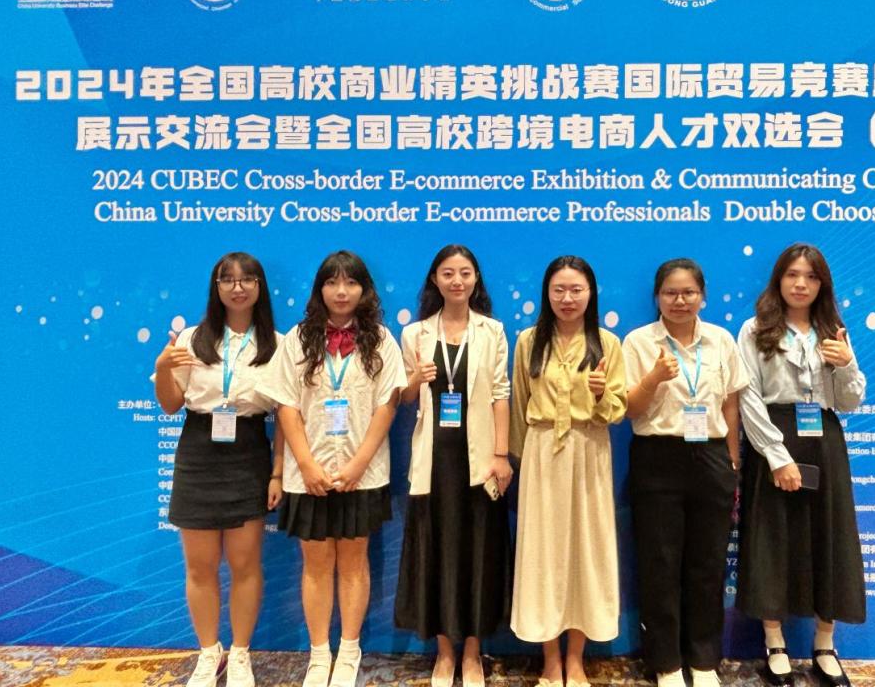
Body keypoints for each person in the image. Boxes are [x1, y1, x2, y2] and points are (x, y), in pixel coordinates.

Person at [257, 250, 406, 687]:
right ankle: (319, 653)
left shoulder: (381, 340)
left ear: (364, 290)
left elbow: (387, 406)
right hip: (310, 475)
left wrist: (358, 465)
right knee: (316, 564)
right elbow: (286, 405)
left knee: (355, 562)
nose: (341, 292)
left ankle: (350, 650)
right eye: (332, 282)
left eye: (351, 283)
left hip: (364, 473)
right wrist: (305, 464)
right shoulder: (298, 339)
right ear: (319, 289)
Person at [735, 244, 867, 687]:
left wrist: (846, 365)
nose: (800, 284)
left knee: (829, 538)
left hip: (824, 441)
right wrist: (777, 456)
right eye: (792, 274)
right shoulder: (755, 329)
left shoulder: (833, 331)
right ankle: (775, 644)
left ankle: (824, 645)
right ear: (779, 279)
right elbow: (748, 396)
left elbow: (849, 401)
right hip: (774, 438)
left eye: (811, 277)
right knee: (772, 539)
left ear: (822, 285)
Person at [153, 252, 282, 687]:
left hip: (248, 450)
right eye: (228, 280)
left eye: (247, 279)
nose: (237, 287)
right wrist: (162, 369)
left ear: (260, 287)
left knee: (245, 564)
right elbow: (170, 404)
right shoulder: (192, 338)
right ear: (216, 287)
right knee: (200, 566)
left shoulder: (277, 344)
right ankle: (209, 653)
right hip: (199, 452)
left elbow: (287, 414)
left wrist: (278, 473)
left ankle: (241, 653)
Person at [622, 258, 748, 687]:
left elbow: (730, 404)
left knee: (707, 563)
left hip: (711, 456)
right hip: (657, 457)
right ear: (657, 297)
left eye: (688, 292)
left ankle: (704, 659)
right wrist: (655, 377)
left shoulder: (720, 340)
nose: (680, 301)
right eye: (671, 293)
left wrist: (732, 461)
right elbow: (629, 409)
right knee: (659, 563)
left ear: (702, 296)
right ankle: (667, 662)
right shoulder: (639, 342)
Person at [395, 244, 513, 687]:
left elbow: (500, 394)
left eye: (465, 272)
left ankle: (472, 654)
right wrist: (414, 380)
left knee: (478, 554)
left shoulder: (492, 331)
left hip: (479, 460)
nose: (457, 280)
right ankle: (444, 654)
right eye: (448, 273)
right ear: (435, 279)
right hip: (435, 460)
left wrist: (500, 454)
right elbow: (405, 397)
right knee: (437, 554)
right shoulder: (415, 333)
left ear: (476, 279)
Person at [509, 255, 627, 687]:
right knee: (543, 555)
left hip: (589, 449)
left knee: (586, 553)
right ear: (547, 293)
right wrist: (515, 461)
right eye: (558, 289)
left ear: (591, 293)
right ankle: (550, 659)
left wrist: (599, 394)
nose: (567, 298)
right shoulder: (528, 341)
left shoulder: (607, 343)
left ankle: (575, 658)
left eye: (576, 289)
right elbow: (519, 404)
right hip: (542, 453)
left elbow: (617, 411)